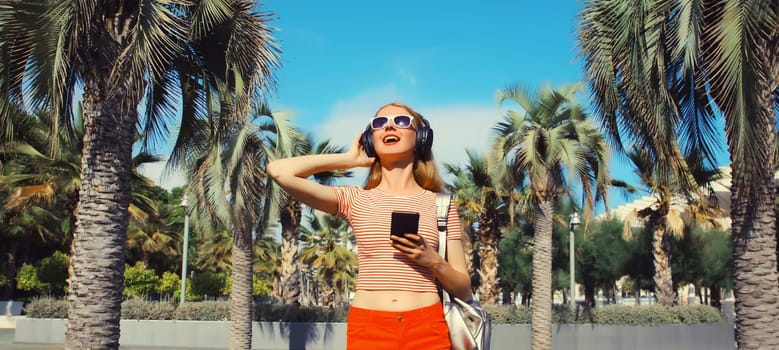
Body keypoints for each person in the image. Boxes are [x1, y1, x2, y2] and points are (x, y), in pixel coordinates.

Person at [267, 102, 472, 349]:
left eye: (401, 121)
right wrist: (348, 159)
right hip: (370, 327)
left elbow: (463, 288)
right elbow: (278, 171)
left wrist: (433, 260)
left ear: (421, 137)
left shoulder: (441, 204)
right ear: (370, 138)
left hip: (426, 325)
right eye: (379, 123)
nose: (388, 126)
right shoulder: (355, 199)